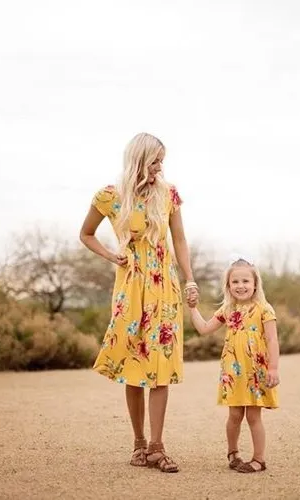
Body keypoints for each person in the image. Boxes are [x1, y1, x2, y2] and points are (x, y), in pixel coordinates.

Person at [79, 132, 198, 473]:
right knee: (134, 368)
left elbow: (180, 239)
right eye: (155, 160)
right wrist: (111, 255)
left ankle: (158, 448)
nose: (160, 167)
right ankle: (139, 446)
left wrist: (189, 278)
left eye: (163, 161)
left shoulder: (169, 195)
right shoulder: (110, 196)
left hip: (164, 291)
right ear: (138, 160)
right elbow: (85, 234)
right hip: (130, 291)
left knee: (160, 369)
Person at [188, 257, 280, 473]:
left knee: (254, 416)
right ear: (228, 286)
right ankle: (233, 453)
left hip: (256, 371)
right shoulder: (227, 310)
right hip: (233, 371)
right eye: (235, 282)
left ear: (255, 283)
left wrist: (273, 368)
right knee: (235, 415)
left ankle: (259, 459)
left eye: (245, 281)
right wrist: (192, 308)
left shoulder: (264, 309)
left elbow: (272, 340)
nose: (241, 286)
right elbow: (203, 328)